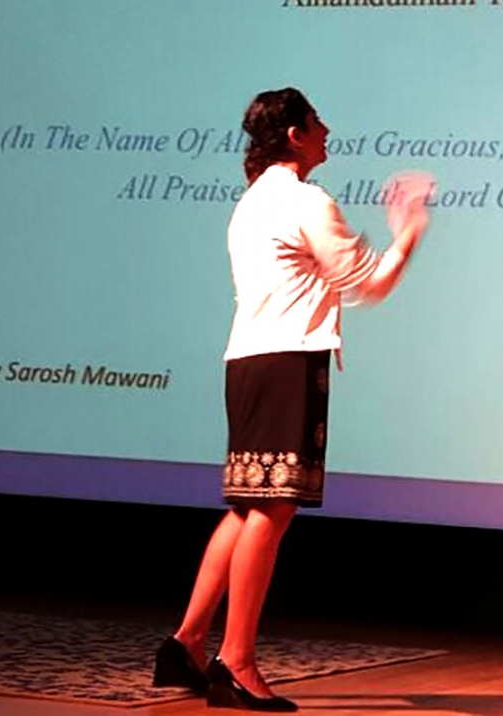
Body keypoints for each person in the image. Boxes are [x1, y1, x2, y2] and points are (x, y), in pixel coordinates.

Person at [152, 88, 429, 711]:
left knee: (248, 507)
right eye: (317, 121)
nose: (328, 128)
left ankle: (189, 640)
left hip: (247, 360)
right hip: (287, 362)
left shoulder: (251, 202)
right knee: (272, 510)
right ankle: (238, 658)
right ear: (297, 135)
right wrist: (408, 232)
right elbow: (369, 283)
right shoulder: (305, 199)